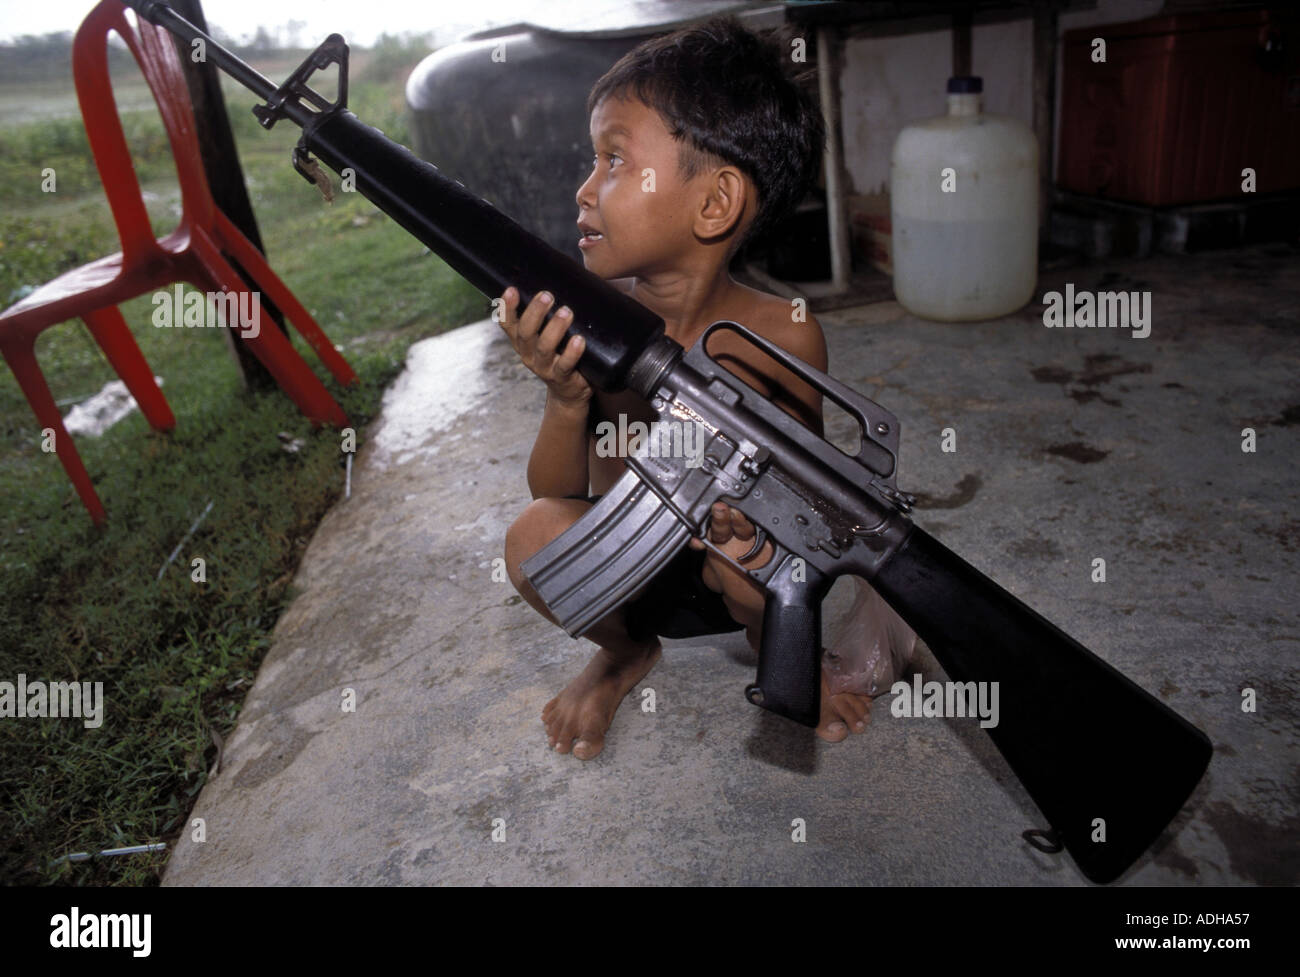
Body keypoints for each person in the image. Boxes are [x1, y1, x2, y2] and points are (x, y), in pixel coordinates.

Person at [498, 15, 913, 759]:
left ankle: (786, 662)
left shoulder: (781, 336)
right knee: (532, 537)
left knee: (749, 563)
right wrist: (564, 399)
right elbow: (551, 490)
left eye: (616, 160)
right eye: (592, 161)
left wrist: (750, 533)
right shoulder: (595, 322)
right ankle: (624, 654)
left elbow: (809, 514)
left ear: (715, 203)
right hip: (628, 579)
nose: (585, 189)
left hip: (745, 589)